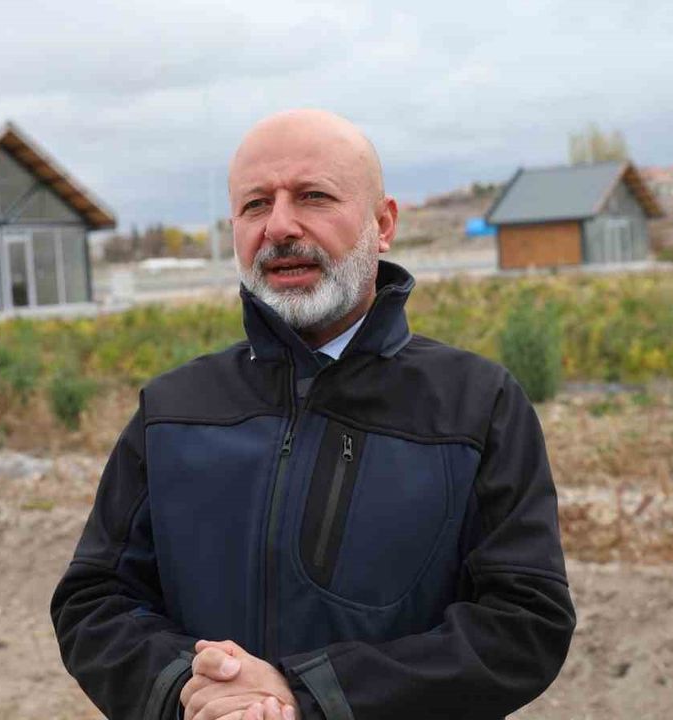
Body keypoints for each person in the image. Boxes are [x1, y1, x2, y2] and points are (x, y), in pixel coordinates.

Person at [51, 109, 575, 720]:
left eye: (313, 196)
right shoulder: (172, 410)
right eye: (255, 205)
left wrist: (313, 696)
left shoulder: (476, 405)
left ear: (383, 224)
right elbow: (94, 603)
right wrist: (189, 689)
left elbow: (523, 626)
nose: (279, 226)